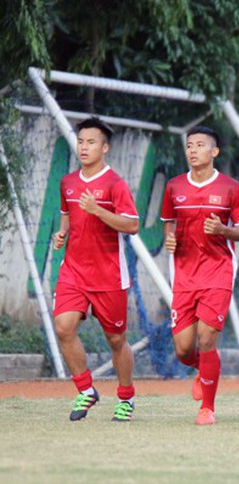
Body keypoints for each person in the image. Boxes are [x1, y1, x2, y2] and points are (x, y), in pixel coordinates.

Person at [161, 125, 239, 425]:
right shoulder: (175, 186)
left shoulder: (230, 187)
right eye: (190, 145)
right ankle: (203, 369)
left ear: (214, 152)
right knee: (183, 349)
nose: (193, 150)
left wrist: (224, 230)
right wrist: (170, 238)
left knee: (207, 338)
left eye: (200, 145)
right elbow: (168, 222)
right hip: (184, 273)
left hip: (218, 271)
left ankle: (208, 408)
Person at [52, 117, 140, 422]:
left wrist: (98, 210)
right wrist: (62, 233)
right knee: (63, 327)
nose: (84, 147)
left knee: (116, 340)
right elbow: (67, 215)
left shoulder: (116, 184)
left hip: (109, 274)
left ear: (105, 148)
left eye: (91, 142)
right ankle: (86, 390)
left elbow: (132, 225)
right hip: (74, 270)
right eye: (81, 141)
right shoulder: (68, 182)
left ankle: (126, 397)